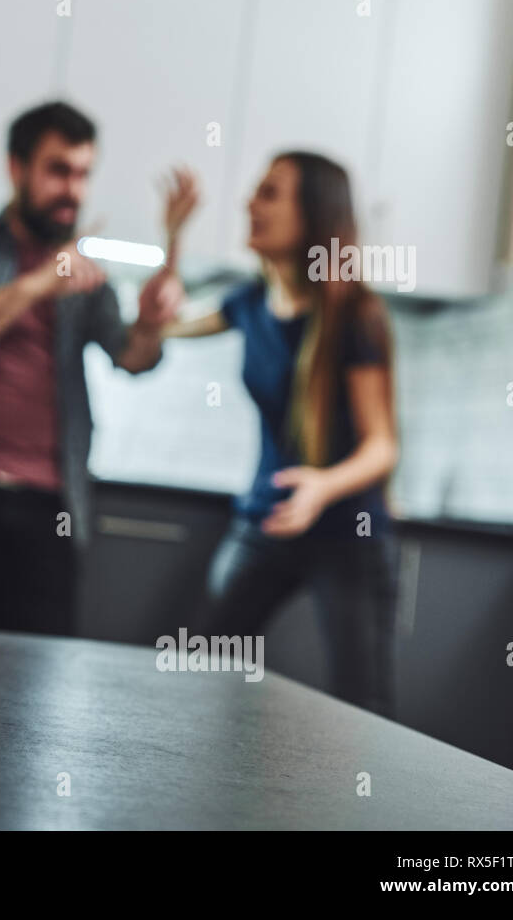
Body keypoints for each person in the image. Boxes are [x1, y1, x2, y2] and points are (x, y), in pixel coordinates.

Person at [0, 101, 183, 636]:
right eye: (57, 170)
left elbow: (135, 359)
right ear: (16, 168)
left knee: (36, 681)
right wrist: (39, 283)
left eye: (83, 174)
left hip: (53, 502)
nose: (72, 189)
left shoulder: (88, 277)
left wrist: (150, 323)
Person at [158, 152, 401, 718]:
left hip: (347, 533)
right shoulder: (247, 303)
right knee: (202, 669)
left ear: (313, 214)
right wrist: (172, 240)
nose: (249, 203)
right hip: (265, 523)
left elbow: (381, 446)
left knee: (362, 709)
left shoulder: (356, 316)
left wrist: (320, 486)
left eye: (269, 193)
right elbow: (156, 328)